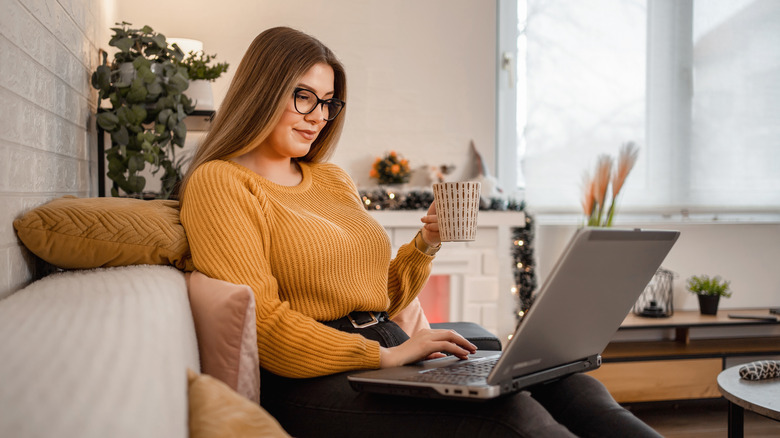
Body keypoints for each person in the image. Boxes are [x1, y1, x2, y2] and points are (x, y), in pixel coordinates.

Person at [180, 26, 662, 438]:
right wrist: (385, 356)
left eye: (328, 102)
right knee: (507, 414)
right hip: (308, 381)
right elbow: (266, 327)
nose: (318, 116)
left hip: (381, 346)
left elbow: (378, 297)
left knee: (564, 381)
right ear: (262, 90)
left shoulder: (330, 178)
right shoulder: (221, 183)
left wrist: (424, 245)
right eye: (303, 96)